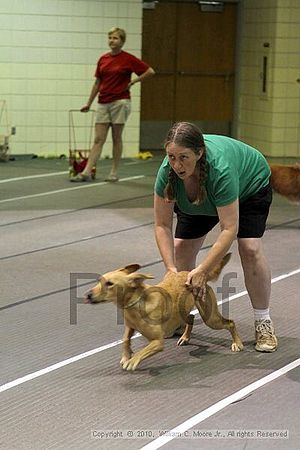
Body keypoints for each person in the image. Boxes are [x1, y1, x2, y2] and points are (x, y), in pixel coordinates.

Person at [154, 121, 278, 352]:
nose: (177, 165)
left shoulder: (220, 170)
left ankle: (263, 321)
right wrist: (171, 269)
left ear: (199, 153)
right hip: (200, 198)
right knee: (180, 252)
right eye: (171, 157)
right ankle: (180, 315)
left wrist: (202, 270)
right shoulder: (167, 173)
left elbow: (229, 229)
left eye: (183, 157)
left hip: (249, 186)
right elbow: (162, 225)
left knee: (249, 248)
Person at [71, 27, 155, 182]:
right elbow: (98, 82)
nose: (112, 40)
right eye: (110, 37)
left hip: (120, 102)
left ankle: (114, 172)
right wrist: (88, 103)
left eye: (115, 38)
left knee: (116, 137)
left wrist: (133, 81)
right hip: (103, 102)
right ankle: (86, 171)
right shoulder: (103, 59)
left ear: (122, 41)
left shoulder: (128, 59)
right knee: (98, 139)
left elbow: (149, 71)